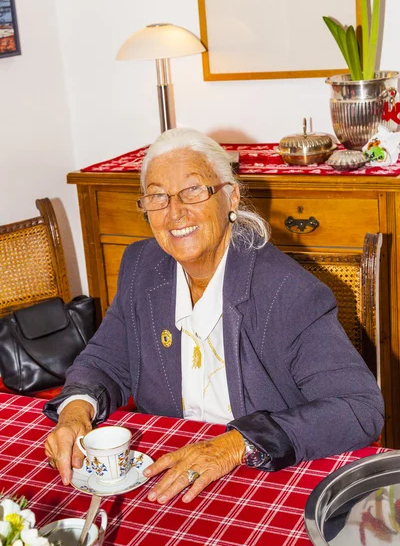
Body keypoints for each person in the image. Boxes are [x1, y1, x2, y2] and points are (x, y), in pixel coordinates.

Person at [44, 128, 384, 505]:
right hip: (168, 476)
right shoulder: (142, 267)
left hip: (263, 477)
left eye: (193, 191)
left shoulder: (287, 291)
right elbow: (105, 361)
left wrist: (234, 445)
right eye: (158, 196)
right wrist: (75, 412)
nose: (175, 212)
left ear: (231, 196)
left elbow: (359, 407)